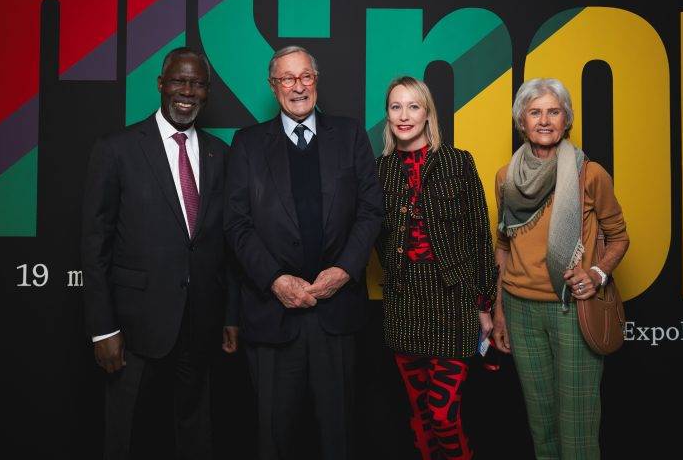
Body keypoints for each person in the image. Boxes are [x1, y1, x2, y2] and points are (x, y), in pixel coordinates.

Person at [223, 45, 383, 460]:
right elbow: (236, 225)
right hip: (273, 314)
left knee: (340, 435)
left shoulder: (349, 135)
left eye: (305, 77)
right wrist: (275, 280)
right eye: (287, 79)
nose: (298, 87)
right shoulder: (247, 144)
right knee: (274, 437)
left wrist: (346, 271)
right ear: (273, 87)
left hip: (338, 313)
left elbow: (371, 210)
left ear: (316, 80)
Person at [81, 47, 239, 459]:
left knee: (196, 433)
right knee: (125, 433)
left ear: (207, 91)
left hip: (200, 322)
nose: (187, 91)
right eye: (179, 81)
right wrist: (103, 329)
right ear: (161, 85)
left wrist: (229, 316)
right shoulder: (116, 149)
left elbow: (224, 245)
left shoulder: (219, 155)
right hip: (134, 327)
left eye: (198, 83)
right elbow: (95, 244)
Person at [491, 78, 629, 459]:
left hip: (573, 308)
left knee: (578, 426)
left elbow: (619, 238)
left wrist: (598, 274)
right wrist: (499, 312)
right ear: (522, 122)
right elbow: (503, 244)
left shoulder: (590, 174)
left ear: (567, 119)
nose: (545, 120)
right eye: (535, 112)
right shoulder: (506, 177)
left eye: (554, 111)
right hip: (520, 310)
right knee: (542, 425)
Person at [374, 76, 498, 460]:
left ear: (428, 114)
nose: (404, 115)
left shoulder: (458, 162)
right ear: (388, 116)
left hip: (454, 303)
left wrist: (484, 304)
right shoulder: (378, 170)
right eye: (396, 107)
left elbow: (480, 234)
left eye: (413, 106)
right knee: (422, 417)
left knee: (444, 416)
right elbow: (371, 234)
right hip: (403, 304)